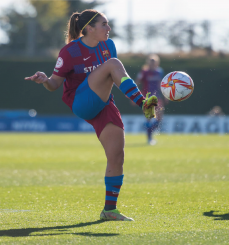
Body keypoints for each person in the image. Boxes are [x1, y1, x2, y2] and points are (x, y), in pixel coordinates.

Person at [25, 9, 158, 220]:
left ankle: (110, 210)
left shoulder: (109, 45)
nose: (109, 28)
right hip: (81, 102)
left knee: (117, 156)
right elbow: (54, 84)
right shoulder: (69, 51)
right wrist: (44, 80)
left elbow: (113, 78)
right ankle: (143, 103)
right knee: (113, 64)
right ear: (89, 28)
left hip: (104, 102)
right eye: (104, 24)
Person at [136, 54, 165, 145]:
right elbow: (137, 82)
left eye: (154, 61)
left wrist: (165, 96)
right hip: (147, 98)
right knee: (149, 117)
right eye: (151, 61)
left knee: (159, 117)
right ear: (148, 62)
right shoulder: (144, 72)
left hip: (157, 98)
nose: (152, 63)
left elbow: (161, 85)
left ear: (157, 62)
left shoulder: (159, 71)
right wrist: (134, 95)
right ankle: (149, 138)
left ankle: (151, 131)